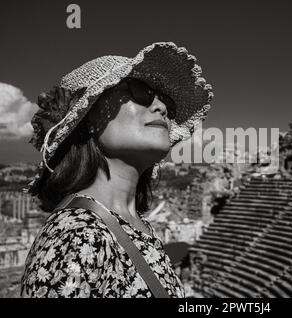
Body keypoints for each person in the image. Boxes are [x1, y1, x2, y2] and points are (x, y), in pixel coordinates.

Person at [20, 42, 213, 298]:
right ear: (88, 118)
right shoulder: (78, 236)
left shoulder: (129, 227)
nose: (162, 108)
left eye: (165, 101)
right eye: (139, 91)